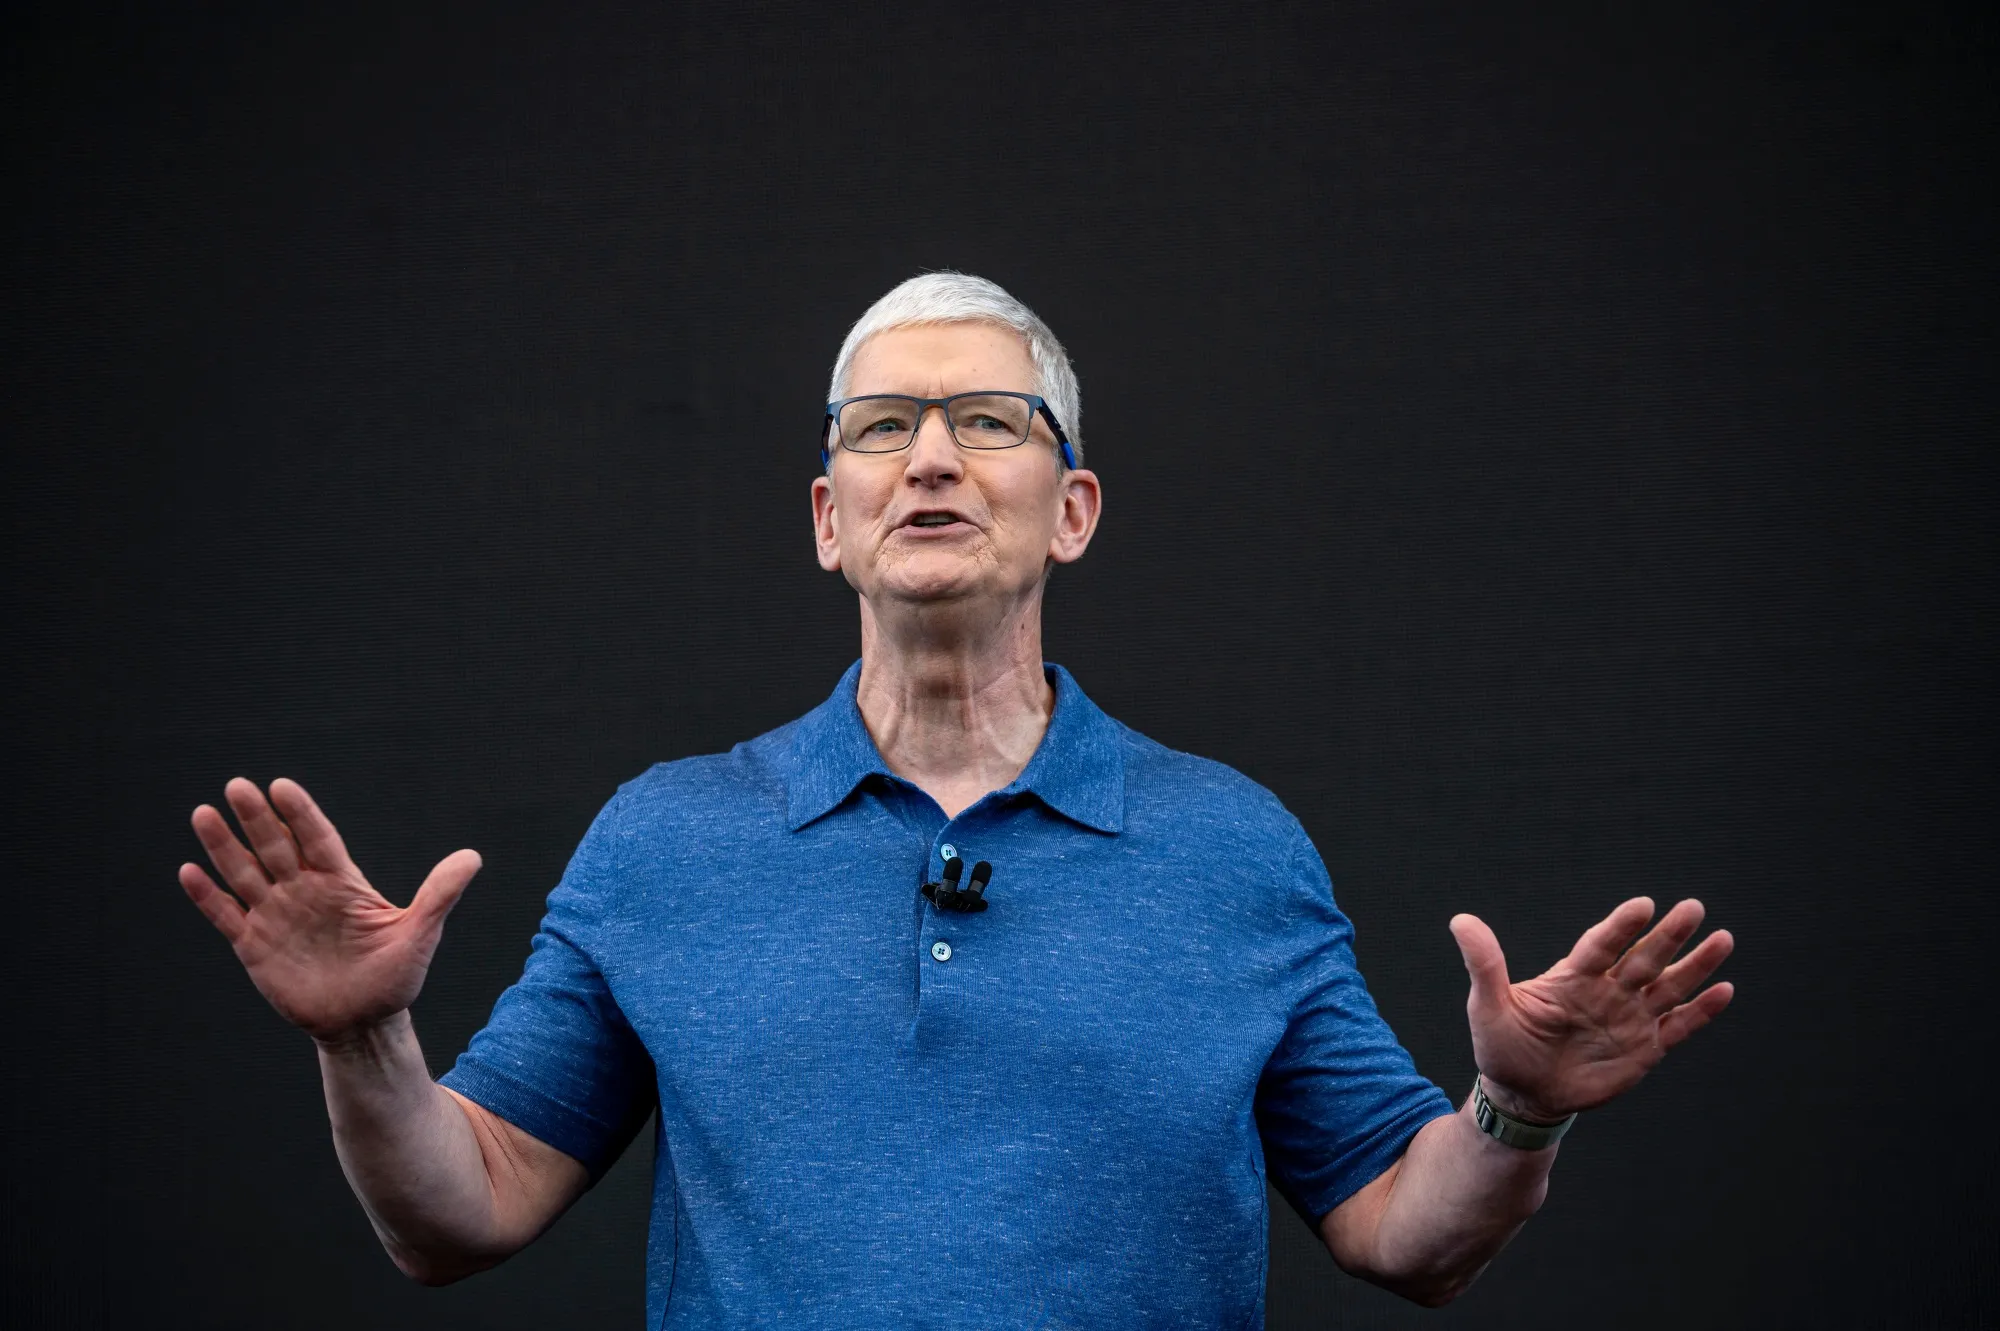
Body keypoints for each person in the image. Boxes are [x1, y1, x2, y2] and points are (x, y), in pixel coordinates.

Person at [178, 272, 1735, 1327]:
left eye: (987, 420)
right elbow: (458, 1208)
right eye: (881, 427)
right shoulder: (665, 840)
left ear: (1073, 509)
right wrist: (363, 1039)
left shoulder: (1232, 846)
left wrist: (1519, 1109)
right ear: (828, 517)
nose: (929, 457)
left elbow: (1407, 1227)